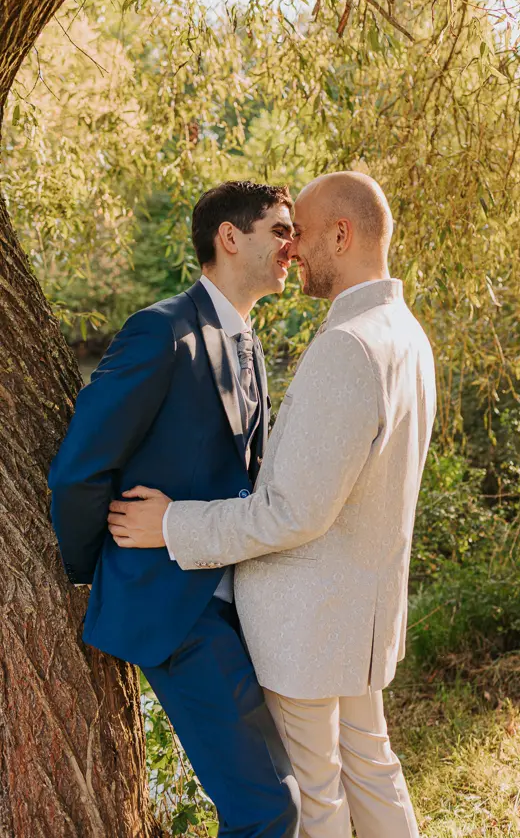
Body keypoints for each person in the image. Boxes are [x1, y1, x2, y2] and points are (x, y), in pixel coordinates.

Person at [108, 171, 437, 838]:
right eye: (282, 236)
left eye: (303, 235)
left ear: (341, 236)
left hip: (310, 625)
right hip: (360, 617)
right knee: (370, 769)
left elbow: (293, 511)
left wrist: (171, 522)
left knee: (317, 799)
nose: (292, 251)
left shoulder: (347, 345)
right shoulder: (404, 333)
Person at [49, 181, 300, 838]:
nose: (291, 246)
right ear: (229, 237)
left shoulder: (246, 340)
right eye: (278, 229)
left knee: (282, 793)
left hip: (232, 603)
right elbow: (79, 468)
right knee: (267, 808)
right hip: (173, 609)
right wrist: (92, 571)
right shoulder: (160, 332)